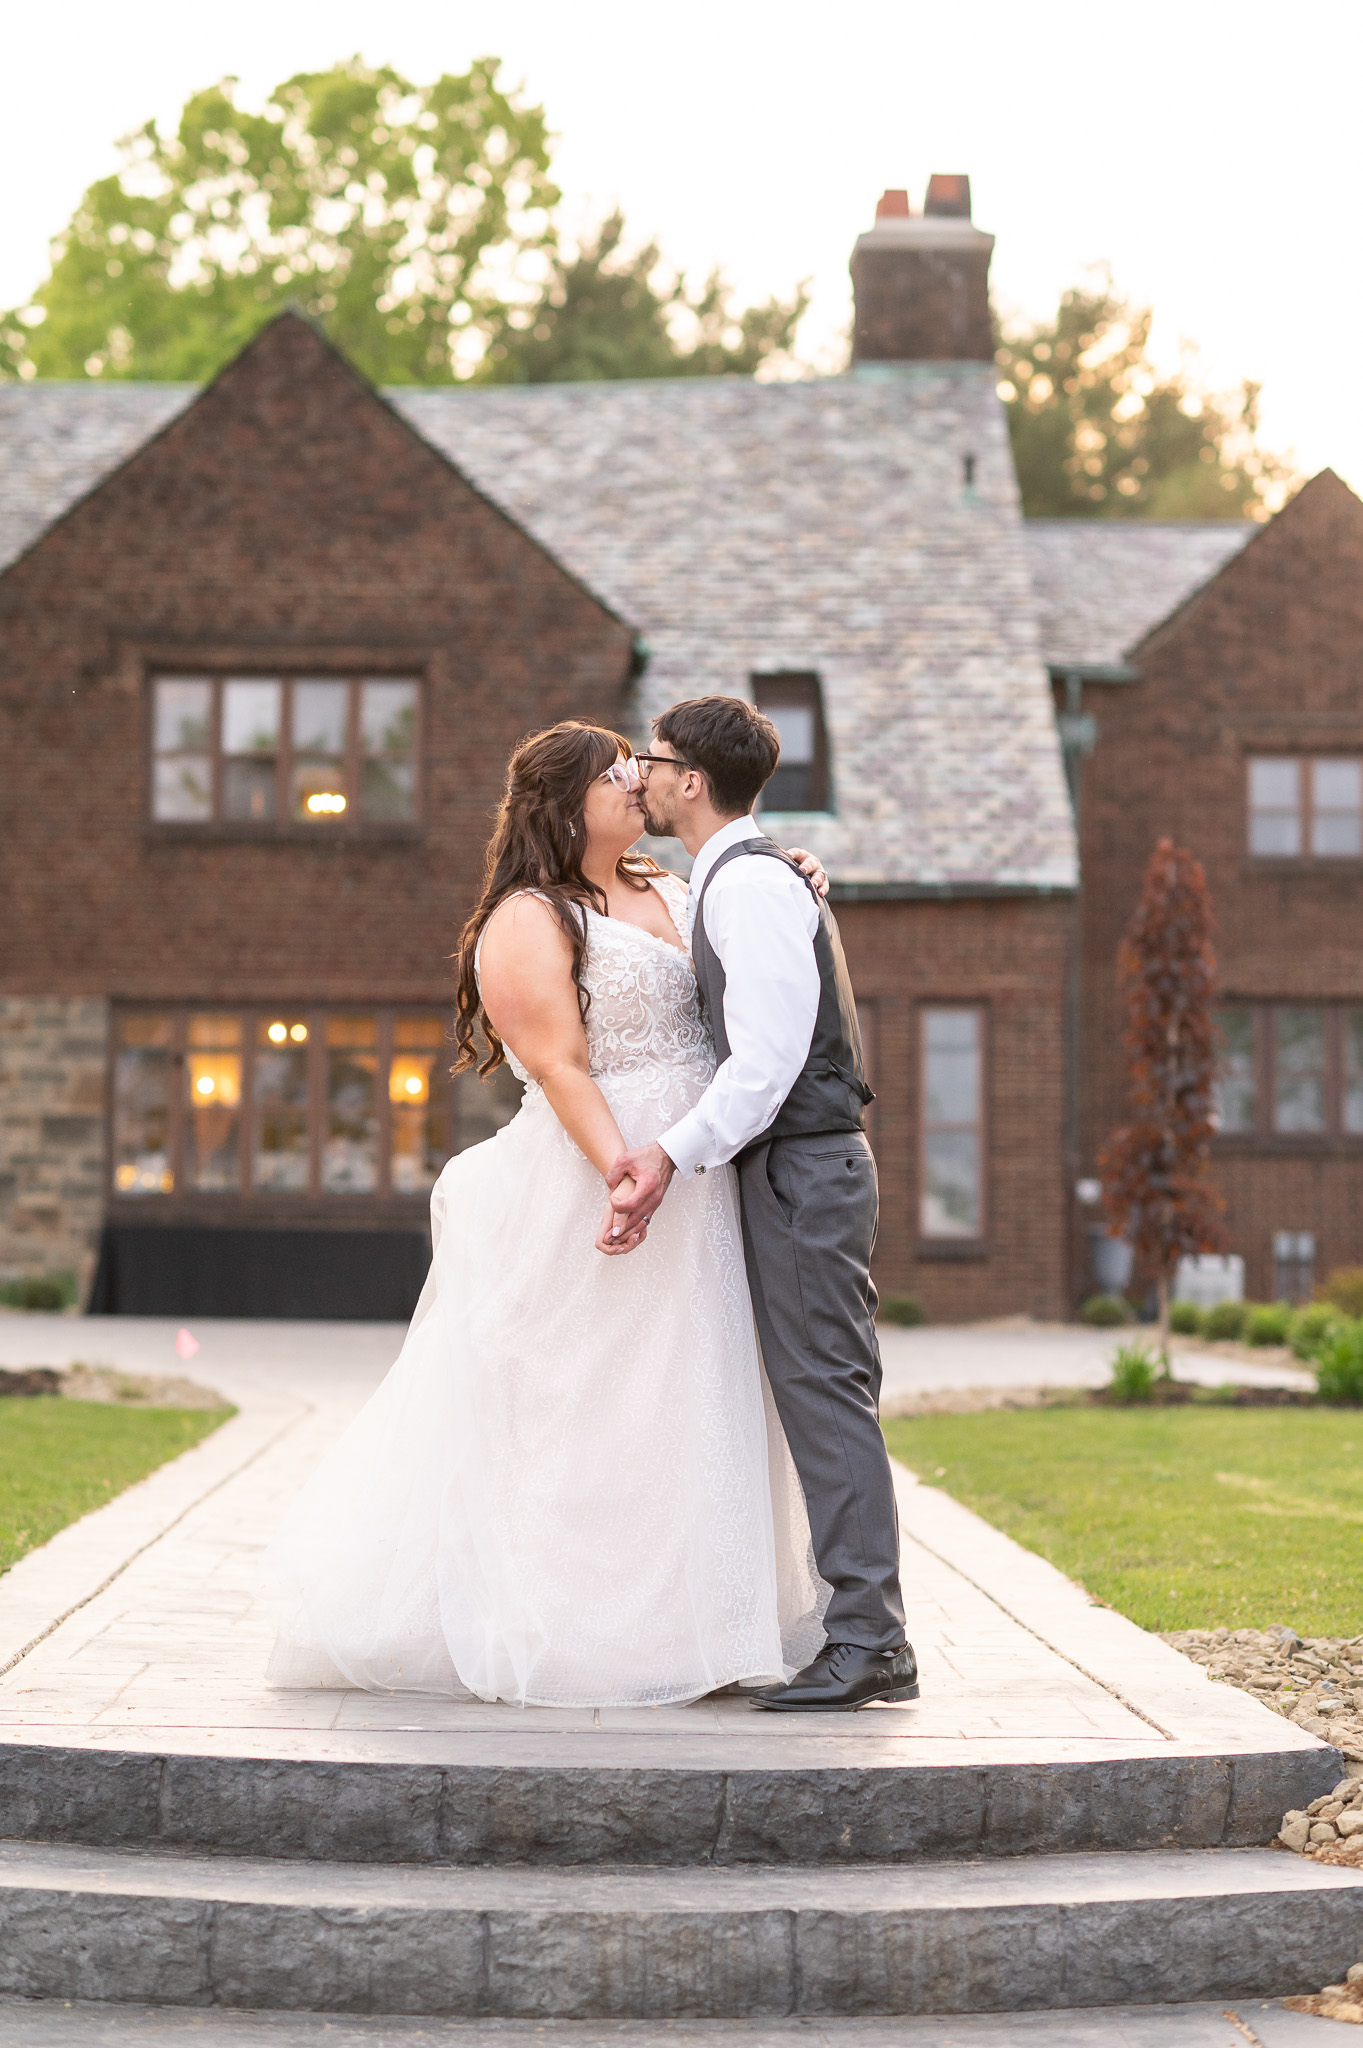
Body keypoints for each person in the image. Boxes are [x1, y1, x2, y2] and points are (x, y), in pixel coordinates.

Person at [265, 719, 832, 1708]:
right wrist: (622, 1168)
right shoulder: (528, 916)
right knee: (591, 1401)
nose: (636, 787)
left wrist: (797, 878)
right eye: (616, 777)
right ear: (564, 800)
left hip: (697, 1170)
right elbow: (560, 1062)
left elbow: (745, 954)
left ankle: (708, 1614)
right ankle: (587, 1622)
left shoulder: (671, 886)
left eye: (637, 772)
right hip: (599, 1175)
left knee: (696, 1392)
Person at [606, 696, 917, 1713]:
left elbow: (771, 1059)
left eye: (650, 761)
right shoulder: (733, 882)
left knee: (825, 1396)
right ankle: (868, 1632)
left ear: (690, 781)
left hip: (802, 1170)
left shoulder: (748, 889)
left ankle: (869, 1638)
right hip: (793, 1169)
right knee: (817, 1394)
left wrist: (668, 1151)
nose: (640, 776)